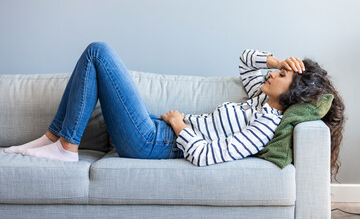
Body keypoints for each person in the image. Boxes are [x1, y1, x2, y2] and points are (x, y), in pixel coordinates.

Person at [3, 42, 345, 182]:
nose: (272, 75)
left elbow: (209, 155)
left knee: (98, 53)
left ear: (292, 94)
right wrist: (276, 60)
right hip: (156, 131)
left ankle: (64, 147)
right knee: (95, 58)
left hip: (156, 143)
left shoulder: (264, 124)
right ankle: (54, 138)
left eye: (281, 76)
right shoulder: (260, 98)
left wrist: (180, 125)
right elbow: (245, 60)